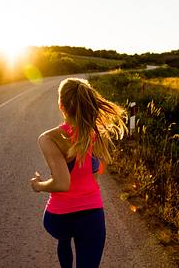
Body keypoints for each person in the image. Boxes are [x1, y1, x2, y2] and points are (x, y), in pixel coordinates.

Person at [30, 78, 127, 268]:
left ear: (61, 105)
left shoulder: (49, 138)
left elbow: (62, 184)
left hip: (59, 218)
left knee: (63, 238)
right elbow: (98, 172)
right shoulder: (99, 135)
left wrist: (38, 185)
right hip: (92, 216)